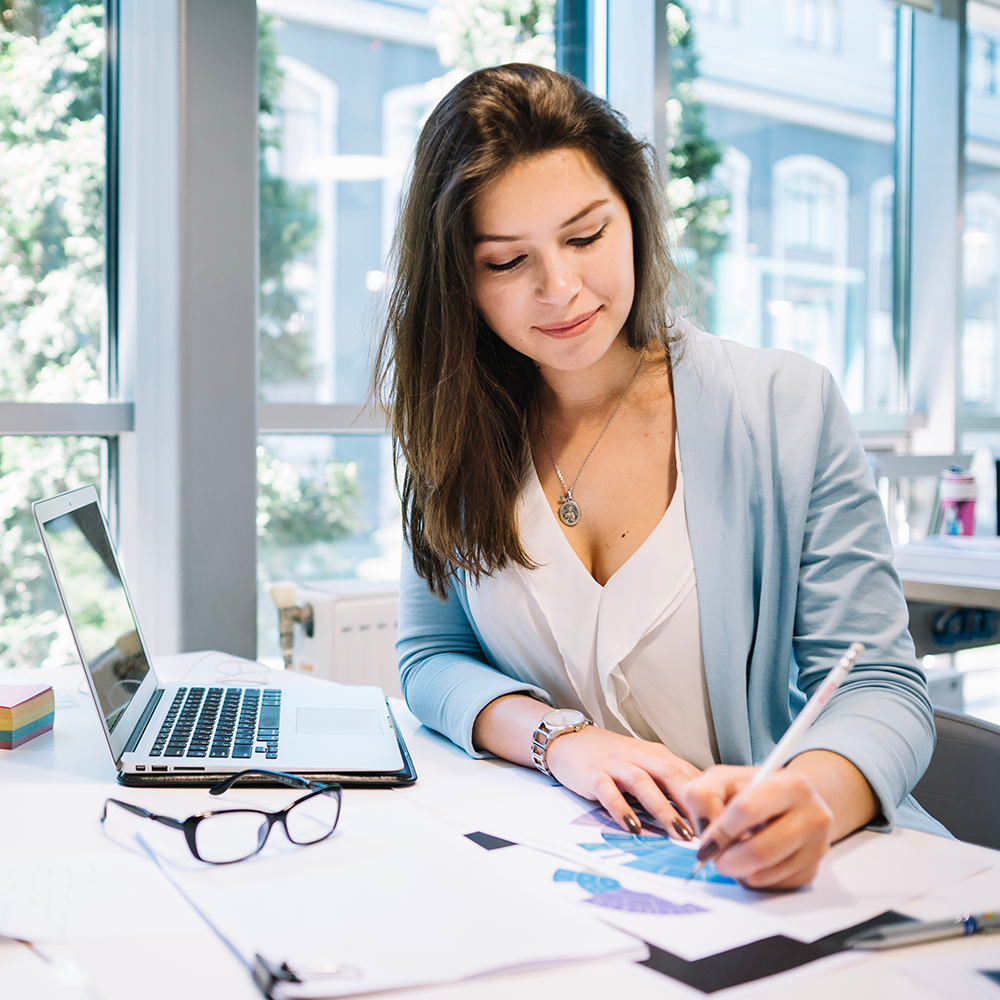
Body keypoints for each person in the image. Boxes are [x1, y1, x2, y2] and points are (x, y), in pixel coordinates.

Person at [374, 63, 946, 891]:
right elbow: (432, 658)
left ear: (633, 218)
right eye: (506, 262)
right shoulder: (453, 430)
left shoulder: (783, 405)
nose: (560, 289)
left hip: (779, 887)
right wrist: (560, 741)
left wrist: (811, 799)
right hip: (575, 878)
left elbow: (883, 687)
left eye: (584, 237)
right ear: (459, 279)